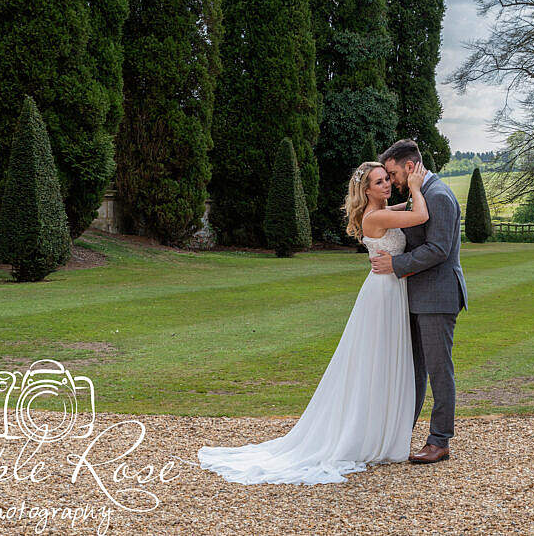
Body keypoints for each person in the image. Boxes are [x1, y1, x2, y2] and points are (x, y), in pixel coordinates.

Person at [197, 160, 430, 484]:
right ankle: (365, 433)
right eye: (379, 182)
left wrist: (415, 193)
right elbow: (419, 215)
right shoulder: (375, 216)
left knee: (383, 360)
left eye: (386, 180)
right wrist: (418, 188)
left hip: (391, 288)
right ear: (366, 190)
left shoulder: (383, 210)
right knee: (375, 360)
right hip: (383, 293)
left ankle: (380, 430)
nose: (387, 185)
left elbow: (406, 208)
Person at [372, 139, 467, 464]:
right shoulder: (421, 195)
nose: (392, 180)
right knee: (413, 371)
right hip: (416, 298)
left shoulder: (438, 196)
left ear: (410, 167)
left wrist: (395, 265)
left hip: (438, 297)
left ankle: (439, 441)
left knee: (439, 371)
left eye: (393, 173)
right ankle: (402, 435)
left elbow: (438, 249)